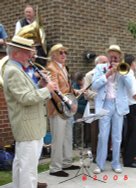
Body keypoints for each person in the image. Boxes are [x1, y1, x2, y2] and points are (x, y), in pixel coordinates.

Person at [3, 36, 57, 188]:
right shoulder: (13, 71)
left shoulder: (19, 69)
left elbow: (28, 92)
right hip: (28, 126)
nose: (31, 55)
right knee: (29, 169)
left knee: (21, 164)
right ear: (16, 53)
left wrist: (40, 85)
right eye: (27, 52)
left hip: (30, 125)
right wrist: (48, 90)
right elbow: (25, 98)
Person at [92, 45, 136, 174]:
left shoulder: (124, 69)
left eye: (116, 56)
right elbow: (94, 85)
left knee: (117, 136)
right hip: (105, 105)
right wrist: (108, 73)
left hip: (118, 105)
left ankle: (116, 163)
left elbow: (131, 85)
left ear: (119, 57)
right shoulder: (100, 68)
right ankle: (100, 164)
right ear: (108, 56)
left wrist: (122, 72)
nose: (113, 58)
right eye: (111, 55)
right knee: (103, 136)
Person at [47, 43, 80, 177]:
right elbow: (54, 90)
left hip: (66, 108)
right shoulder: (51, 68)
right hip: (57, 108)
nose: (64, 55)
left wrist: (75, 91)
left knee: (67, 137)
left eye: (65, 52)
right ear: (53, 55)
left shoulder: (64, 68)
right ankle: (55, 167)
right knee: (58, 138)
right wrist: (68, 102)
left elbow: (66, 88)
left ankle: (66, 162)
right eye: (61, 52)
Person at [84, 55, 109, 158]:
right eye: (103, 62)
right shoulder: (89, 75)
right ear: (97, 63)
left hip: (106, 106)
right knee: (95, 132)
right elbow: (86, 92)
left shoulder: (109, 74)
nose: (106, 64)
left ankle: (106, 152)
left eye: (106, 62)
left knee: (105, 131)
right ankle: (95, 153)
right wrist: (98, 96)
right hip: (94, 106)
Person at [72, 71, 87, 148]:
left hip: (86, 108)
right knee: (78, 126)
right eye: (78, 81)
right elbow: (75, 99)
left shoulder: (86, 84)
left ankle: (85, 142)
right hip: (78, 109)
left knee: (86, 127)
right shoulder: (75, 86)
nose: (80, 82)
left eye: (81, 81)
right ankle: (78, 143)